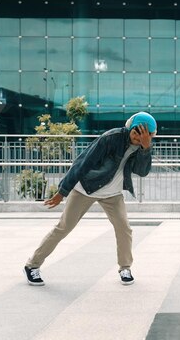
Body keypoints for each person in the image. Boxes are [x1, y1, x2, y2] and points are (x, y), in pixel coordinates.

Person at [24, 112, 156, 286]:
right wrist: (62, 191)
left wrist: (145, 149)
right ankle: (32, 265)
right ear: (129, 128)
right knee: (63, 227)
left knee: (124, 229)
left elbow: (142, 171)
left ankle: (125, 268)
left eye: (142, 138)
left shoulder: (143, 146)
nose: (137, 140)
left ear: (150, 136)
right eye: (134, 135)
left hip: (112, 194)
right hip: (86, 188)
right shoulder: (111, 138)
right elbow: (82, 163)